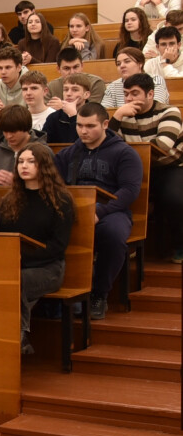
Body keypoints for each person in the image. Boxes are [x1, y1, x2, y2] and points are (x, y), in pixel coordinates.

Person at [55, 103, 144, 319]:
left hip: (111, 211)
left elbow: (129, 191)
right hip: (75, 208)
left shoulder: (124, 153)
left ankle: (99, 293)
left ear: (105, 124)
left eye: (90, 126)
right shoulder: (69, 153)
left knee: (114, 235)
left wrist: (100, 212)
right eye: (79, 125)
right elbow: (54, 182)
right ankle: (60, 293)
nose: (83, 131)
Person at [0, 143, 76, 355]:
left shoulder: (61, 200)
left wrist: (22, 259)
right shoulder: (9, 200)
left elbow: (58, 246)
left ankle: (17, 337)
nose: (24, 166)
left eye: (31, 162)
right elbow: (0, 238)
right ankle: (10, 339)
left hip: (49, 268)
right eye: (21, 162)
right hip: (14, 265)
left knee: (16, 282)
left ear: (44, 166)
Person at [108, 72, 183, 263]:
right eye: (126, 94)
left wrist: (127, 156)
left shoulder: (169, 112)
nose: (129, 99)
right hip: (138, 168)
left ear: (150, 94)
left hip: (171, 167)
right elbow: (108, 146)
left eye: (135, 93)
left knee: (174, 198)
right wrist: (116, 117)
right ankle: (130, 244)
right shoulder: (124, 115)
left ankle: (180, 245)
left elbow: (162, 147)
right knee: (117, 194)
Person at [0, 104, 53, 186]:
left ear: (26, 128)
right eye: (5, 131)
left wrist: (19, 184)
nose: (9, 136)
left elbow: (52, 184)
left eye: (14, 131)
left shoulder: (44, 152)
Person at [102, 47, 170, 107]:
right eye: (118, 64)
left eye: (127, 61)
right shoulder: (113, 87)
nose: (122, 66)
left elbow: (156, 106)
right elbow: (105, 111)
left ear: (140, 64)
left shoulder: (155, 81)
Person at [43, 73, 95, 144]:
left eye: (75, 90)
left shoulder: (95, 115)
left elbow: (85, 145)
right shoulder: (53, 118)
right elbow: (43, 144)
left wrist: (73, 116)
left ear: (86, 95)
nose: (68, 93)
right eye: (66, 90)